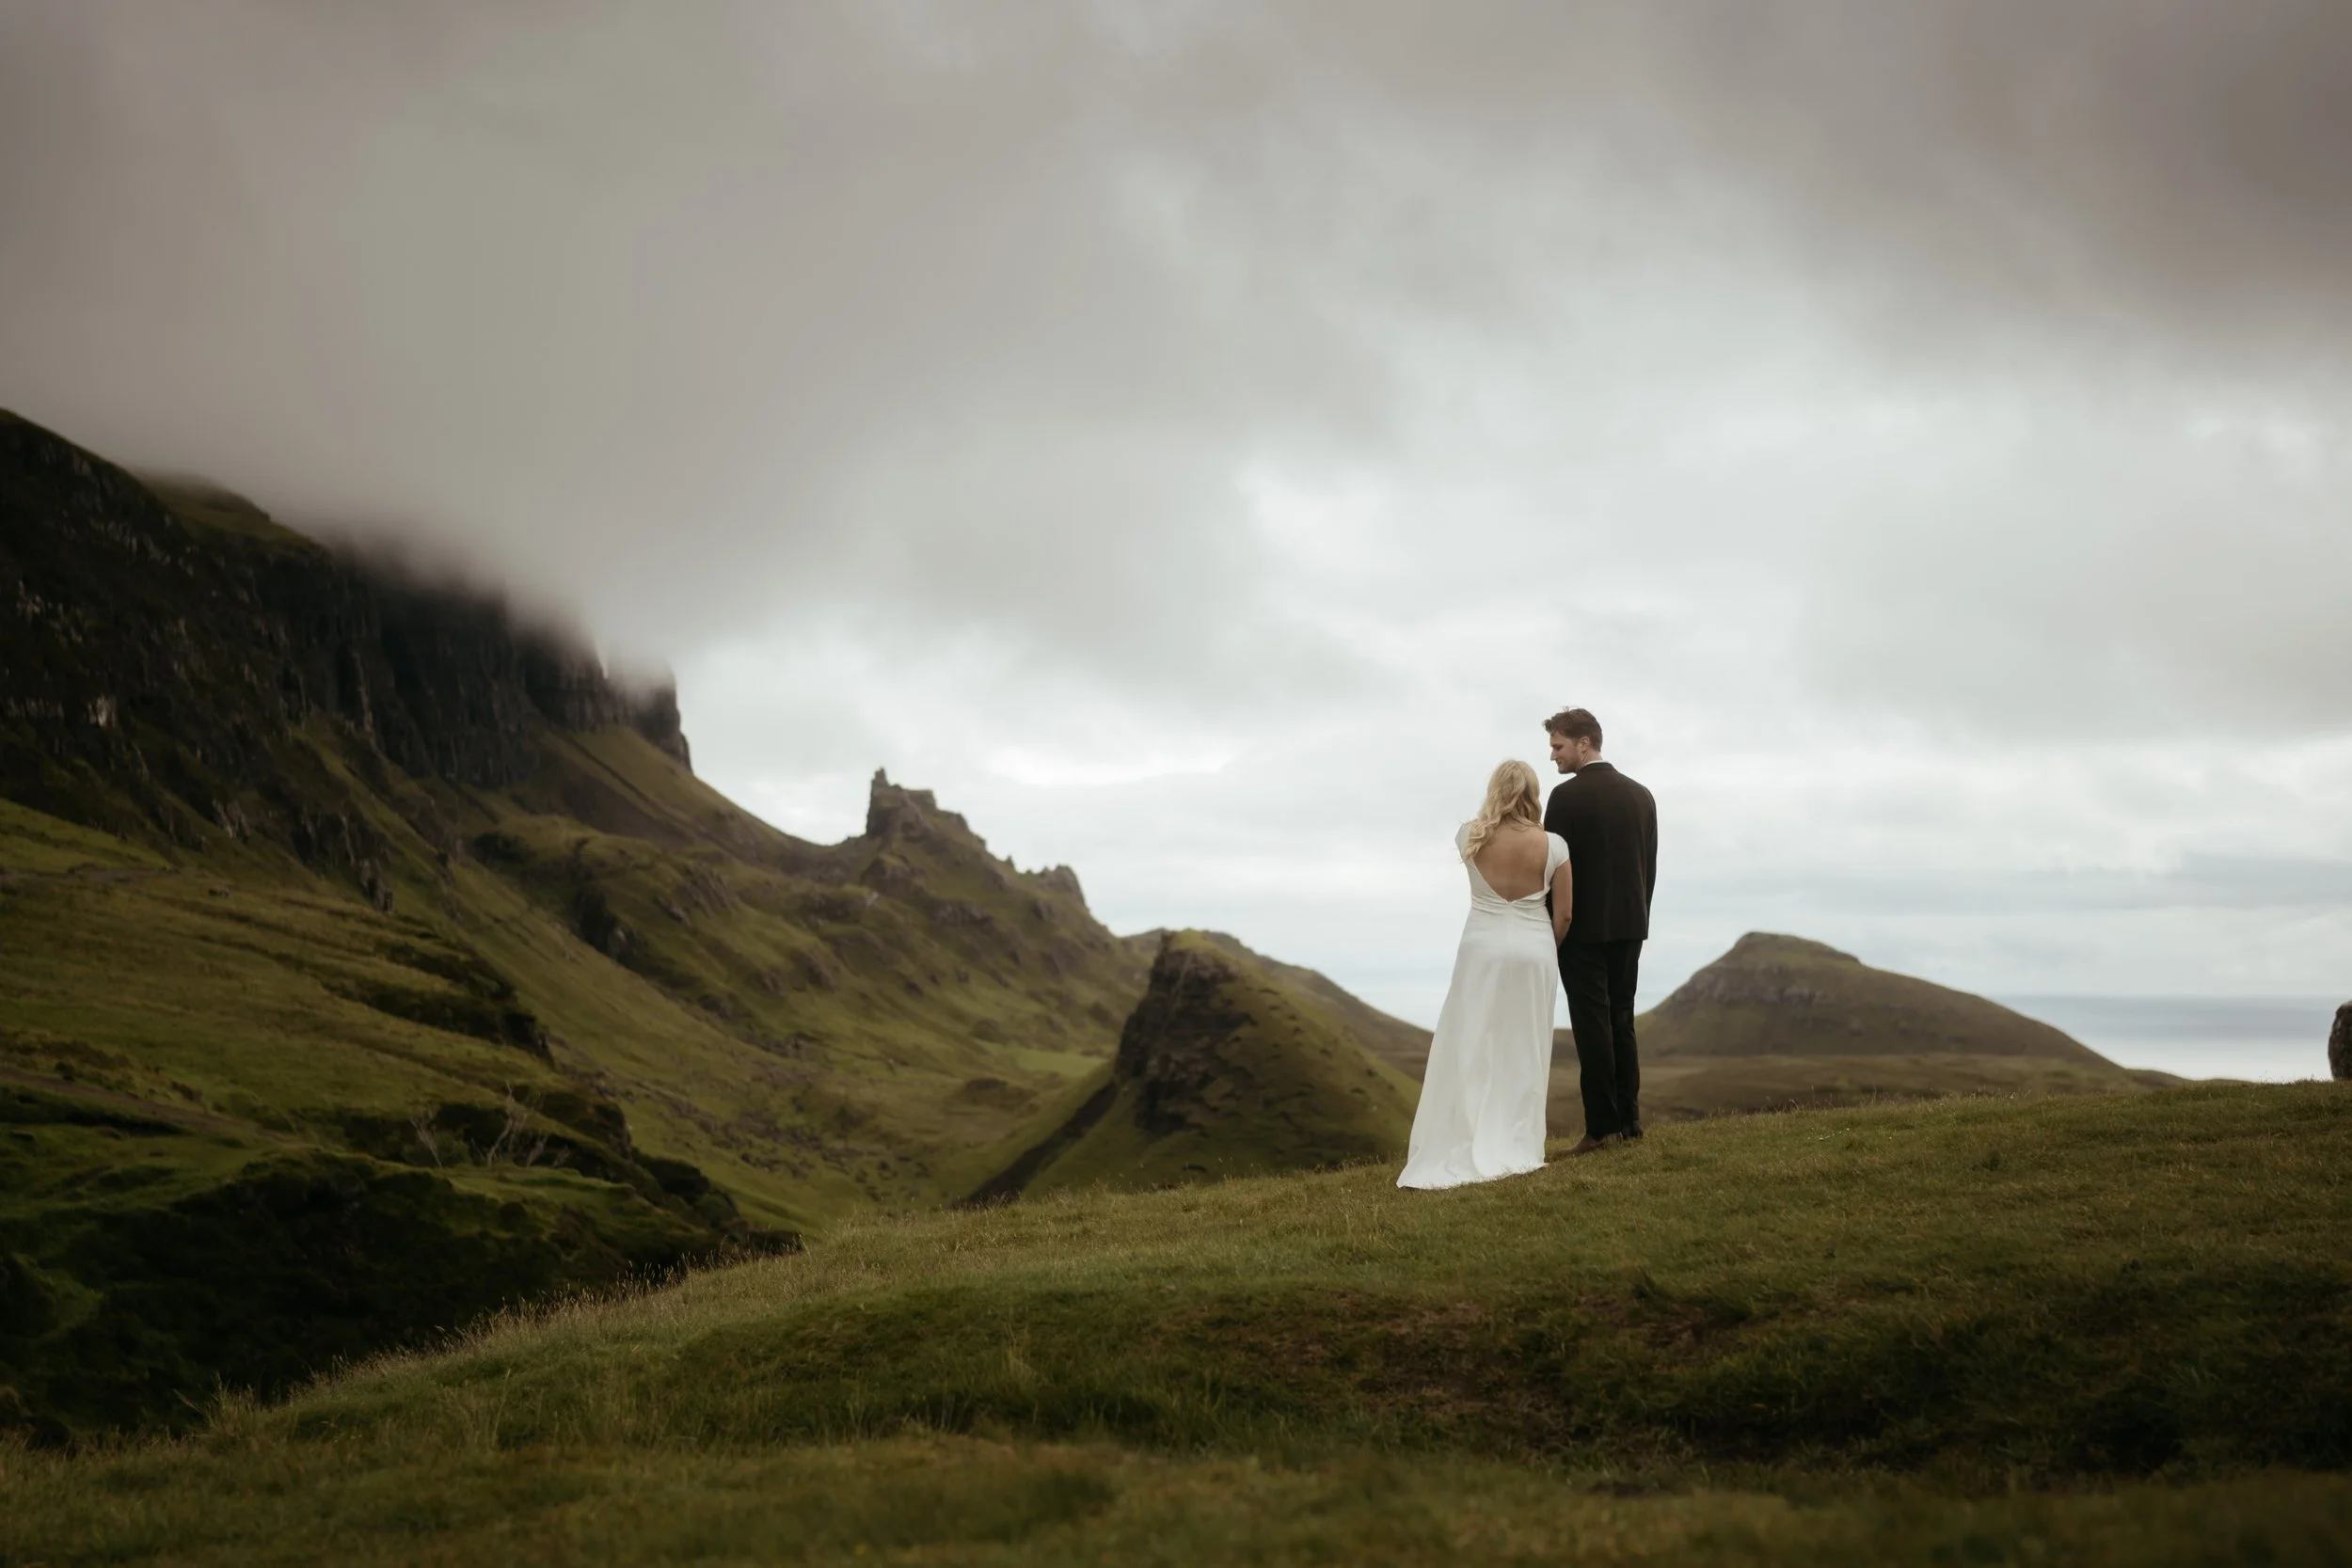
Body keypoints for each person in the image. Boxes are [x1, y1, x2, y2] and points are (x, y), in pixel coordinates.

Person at [1398, 760, 1573, 1189]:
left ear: (1495, 789)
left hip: (1482, 949)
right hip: (1535, 949)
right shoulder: (1554, 845)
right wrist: (1545, 947)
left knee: (1472, 1041)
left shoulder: (1469, 837)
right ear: (1533, 792)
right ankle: (1516, 1143)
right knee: (1525, 1045)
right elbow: (1565, 914)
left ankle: (1464, 1137)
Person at [1543, 706, 1658, 1154]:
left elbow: (1553, 869)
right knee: (1621, 1020)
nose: (1553, 756)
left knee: (1591, 1027)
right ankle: (1629, 1121)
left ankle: (1599, 1130)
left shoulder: (1564, 798)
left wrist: (1553, 925)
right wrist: (1639, 916)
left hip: (1582, 930)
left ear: (1584, 743)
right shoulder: (1641, 795)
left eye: (1558, 746)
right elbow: (1648, 866)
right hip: (1631, 925)